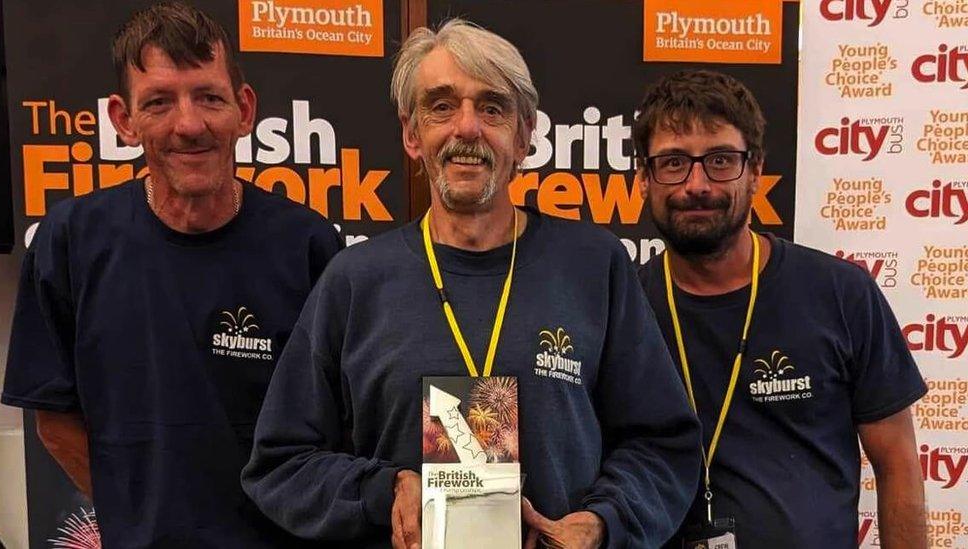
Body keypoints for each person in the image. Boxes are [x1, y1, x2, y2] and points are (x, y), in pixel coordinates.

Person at [241, 19, 701, 549]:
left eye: (492, 108)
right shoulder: (354, 280)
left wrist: (602, 524)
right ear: (412, 135)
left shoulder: (595, 266)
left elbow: (663, 445)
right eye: (441, 106)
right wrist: (383, 490)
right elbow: (280, 465)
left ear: (525, 136)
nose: (467, 129)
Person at [0, 2, 341, 546]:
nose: (189, 124)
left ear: (244, 109)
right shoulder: (69, 241)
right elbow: (54, 421)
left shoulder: (309, 245)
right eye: (158, 102)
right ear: (123, 119)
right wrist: (136, 515)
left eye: (209, 96)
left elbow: (336, 429)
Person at [633, 69, 927, 548]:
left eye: (721, 160)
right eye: (672, 163)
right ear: (644, 178)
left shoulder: (840, 293)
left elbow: (897, 462)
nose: (697, 183)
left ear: (756, 171)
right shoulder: (621, 307)